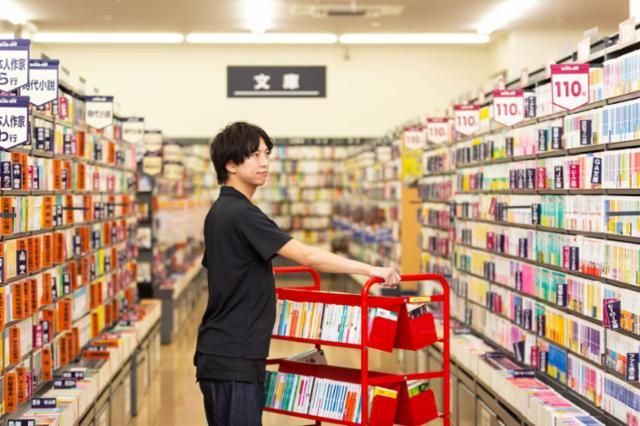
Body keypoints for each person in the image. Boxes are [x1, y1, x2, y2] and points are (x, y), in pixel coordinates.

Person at [195, 122, 401, 426]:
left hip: (220, 351)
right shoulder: (242, 213)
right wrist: (371, 269)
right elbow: (307, 256)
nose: (264, 162)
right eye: (254, 155)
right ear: (230, 164)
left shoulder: (219, 211)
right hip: (235, 355)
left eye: (266, 154)